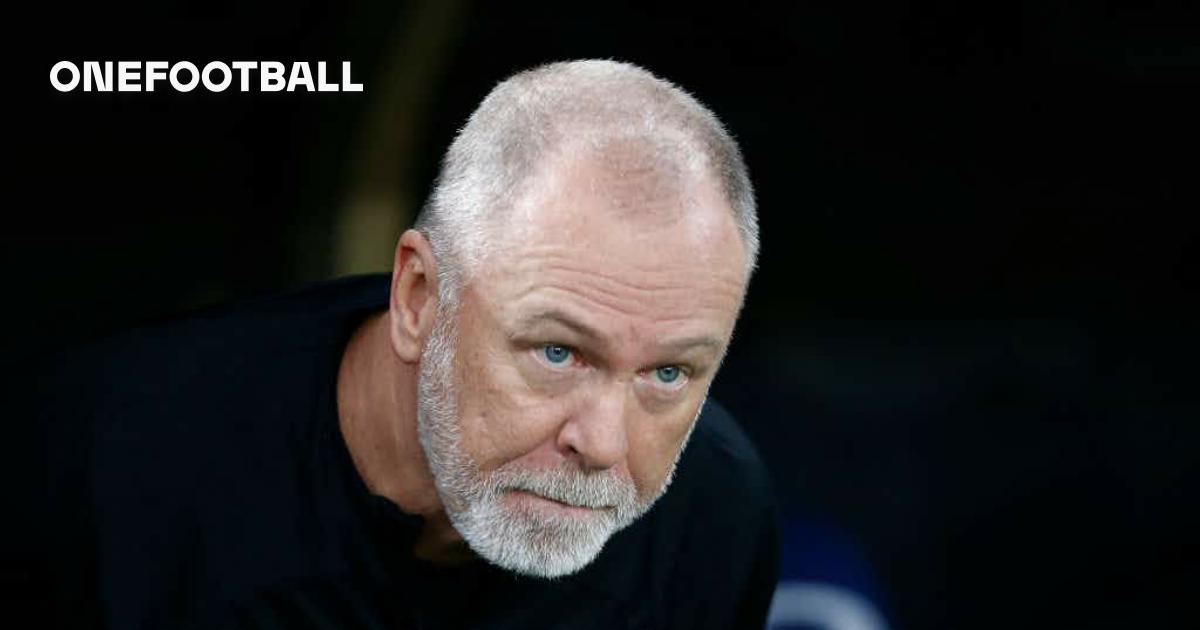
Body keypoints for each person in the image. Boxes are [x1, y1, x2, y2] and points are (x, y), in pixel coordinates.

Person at [23, 59, 779, 629]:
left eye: (668, 373)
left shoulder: (712, 518)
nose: (605, 444)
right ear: (418, 298)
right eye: (557, 353)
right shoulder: (108, 467)